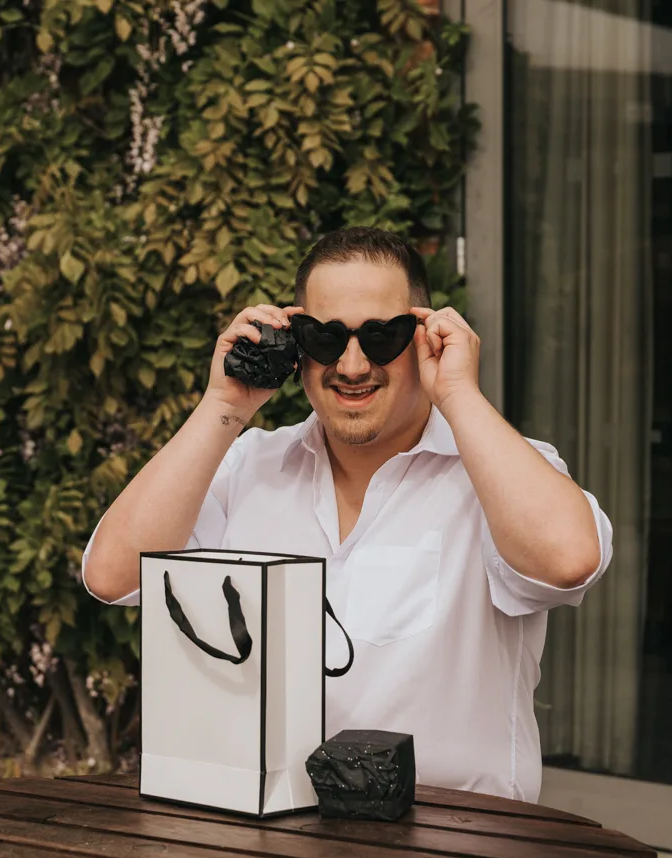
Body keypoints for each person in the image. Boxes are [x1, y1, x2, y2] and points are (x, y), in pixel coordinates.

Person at [82, 226, 612, 802]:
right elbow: (112, 578)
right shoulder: (246, 467)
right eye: (325, 338)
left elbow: (569, 561)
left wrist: (458, 395)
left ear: (425, 337)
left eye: (383, 337)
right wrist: (223, 404)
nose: (353, 365)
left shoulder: (497, 469)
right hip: (270, 848)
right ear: (296, 345)